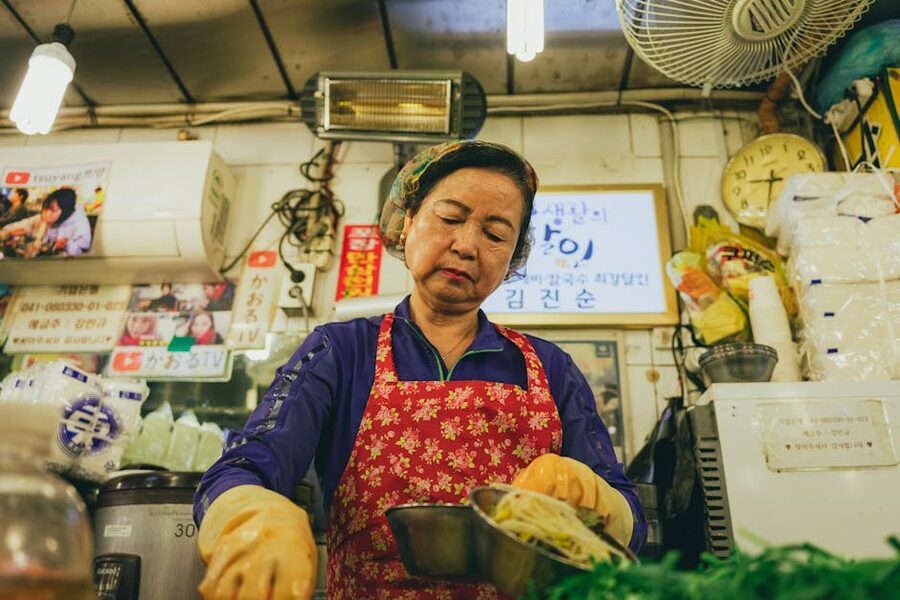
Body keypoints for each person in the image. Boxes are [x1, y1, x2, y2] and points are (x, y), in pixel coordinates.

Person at [193, 141, 646, 600]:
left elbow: (630, 520)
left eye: (495, 234)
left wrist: (598, 500)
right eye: (450, 218)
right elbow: (245, 465)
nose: (467, 245)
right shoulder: (341, 352)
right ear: (407, 223)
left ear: (513, 257)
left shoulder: (551, 368)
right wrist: (251, 515)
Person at [0, 188, 91, 257]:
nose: (46, 213)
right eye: (45, 208)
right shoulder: (39, 219)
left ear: (65, 211)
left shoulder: (80, 226)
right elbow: (21, 225)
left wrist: (68, 246)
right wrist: (9, 233)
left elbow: (82, 254)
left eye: (53, 210)